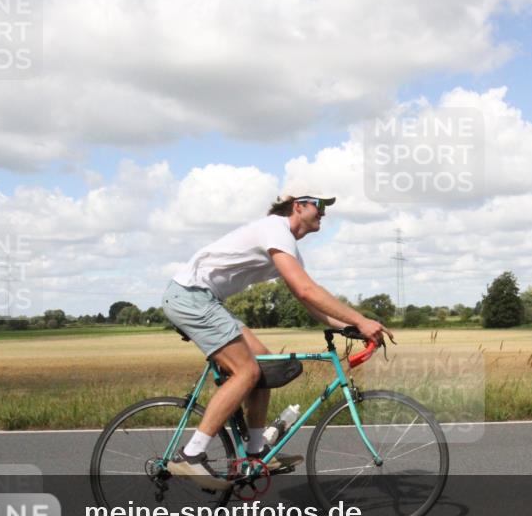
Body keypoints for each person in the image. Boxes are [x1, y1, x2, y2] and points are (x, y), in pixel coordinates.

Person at [161, 186, 393, 490]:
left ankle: (255, 455)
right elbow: (306, 290)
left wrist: (348, 327)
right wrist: (361, 320)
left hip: (206, 300)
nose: (324, 211)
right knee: (248, 371)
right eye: (320, 204)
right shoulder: (276, 229)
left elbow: (309, 302)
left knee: (266, 365)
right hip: (192, 297)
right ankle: (190, 455)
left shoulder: (286, 246)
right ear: (298, 206)